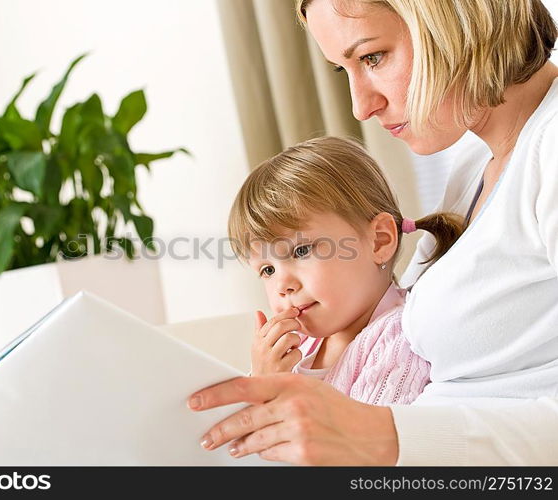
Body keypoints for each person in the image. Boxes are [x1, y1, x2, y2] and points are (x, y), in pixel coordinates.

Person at [187, 0, 558, 465]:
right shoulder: (473, 164)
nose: (362, 107)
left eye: (372, 57)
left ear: (454, 18)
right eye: (345, 71)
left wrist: (384, 436)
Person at [228, 136, 466, 405]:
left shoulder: (398, 339)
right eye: (267, 269)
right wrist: (260, 381)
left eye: (301, 251)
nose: (283, 285)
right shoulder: (300, 345)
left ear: (380, 241)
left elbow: (367, 442)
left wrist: (273, 394)